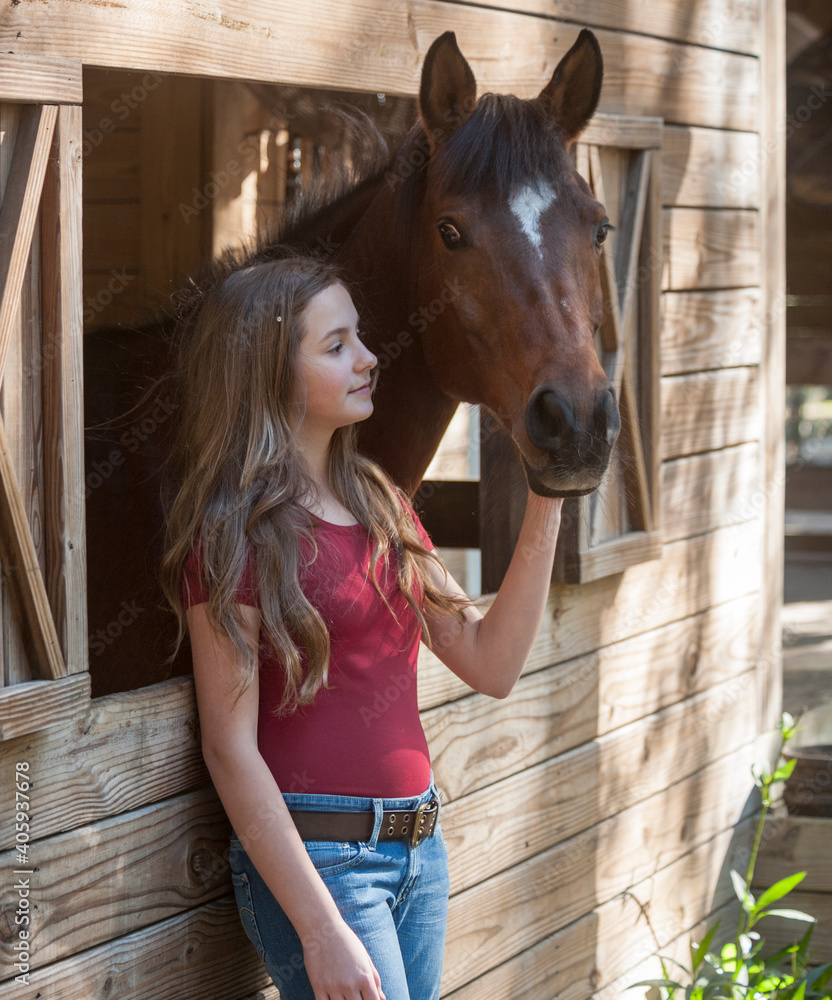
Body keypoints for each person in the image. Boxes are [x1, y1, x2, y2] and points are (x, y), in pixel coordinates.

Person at [160, 253, 565, 1000]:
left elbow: (490, 663)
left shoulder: (381, 504)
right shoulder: (235, 535)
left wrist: (548, 497)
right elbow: (230, 748)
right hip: (325, 867)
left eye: (361, 337)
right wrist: (320, 929)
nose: (370, 357)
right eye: (337, 344)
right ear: (270, 372)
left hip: (420, 850)